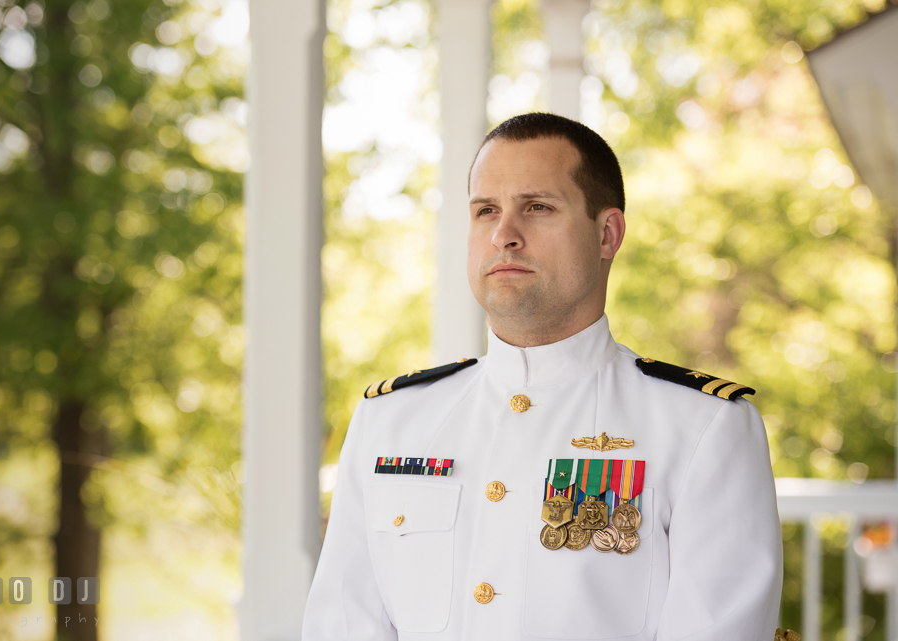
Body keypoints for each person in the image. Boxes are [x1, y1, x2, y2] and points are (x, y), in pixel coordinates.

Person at [302, 112, 783, 640]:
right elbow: (342, 625)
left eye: (537, 208)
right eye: (486, 210)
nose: (504, 235)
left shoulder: (702, 427)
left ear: (607, 234)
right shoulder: (389, 422)